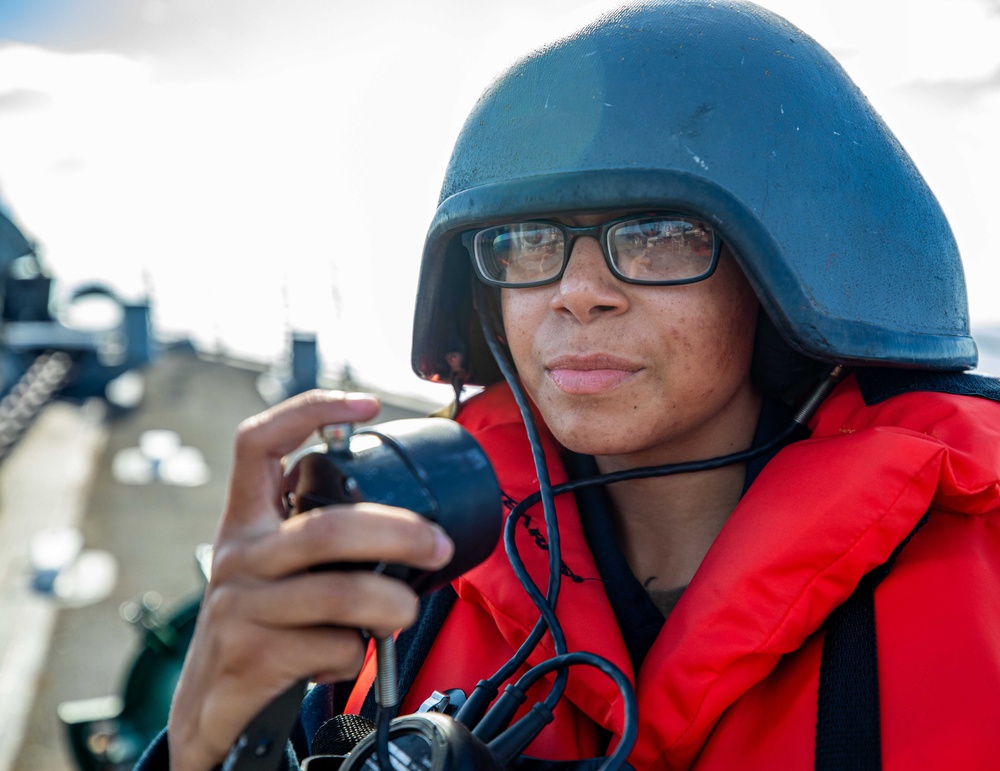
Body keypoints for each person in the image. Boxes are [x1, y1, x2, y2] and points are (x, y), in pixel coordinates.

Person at [141, 1, 1000, 769]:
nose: (574, 290)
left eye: (658, 231)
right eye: (523, 239)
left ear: (784, 278)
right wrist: (213, 745)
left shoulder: (980, 577)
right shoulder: (401, 586)